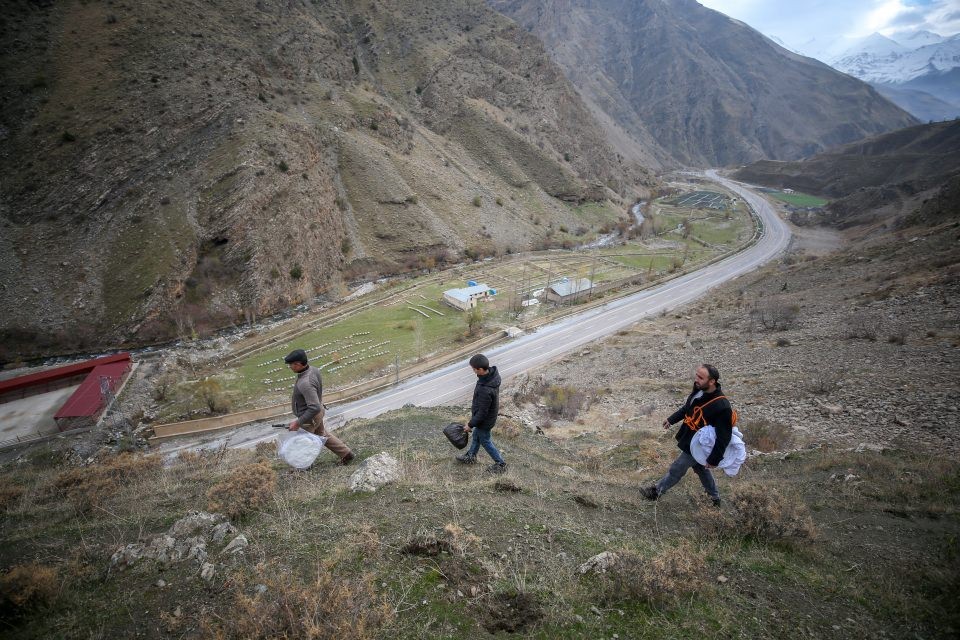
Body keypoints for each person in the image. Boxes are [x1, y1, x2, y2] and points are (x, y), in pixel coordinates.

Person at [640, 364, 732, 507]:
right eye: (696, 375)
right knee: (700, 468)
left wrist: (714, 459)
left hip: (698, 446)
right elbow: (687, 408)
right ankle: (714, 498)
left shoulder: (722, 406)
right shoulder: (699, 390)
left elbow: (724, 436)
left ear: (712, 381)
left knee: (677, 468)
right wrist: (671, 419)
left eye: (701, 377)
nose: (696, 379)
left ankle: (656, 492)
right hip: (690, 440)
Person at [284, 349, 355, 465]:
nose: (290, 367)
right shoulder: (313, 370)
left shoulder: (305, 382)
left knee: (302, 442)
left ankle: (301, 467)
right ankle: (346, 454)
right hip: (317, 414)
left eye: (291, 365)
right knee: (322, 434)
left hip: (309, 417)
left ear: (298, 364)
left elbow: (314, 407)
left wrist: (297, 422)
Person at [456, 353, 506, 474]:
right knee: (476, 437)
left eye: (474, 369)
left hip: (485, 420)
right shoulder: (490, 377)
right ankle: (471, 456)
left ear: (480, 369)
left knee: (485, 440)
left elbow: (483, 412)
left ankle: (500, 463)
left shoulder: (486, 389)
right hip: (486, 417)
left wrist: (470, 424)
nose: (473, 371)